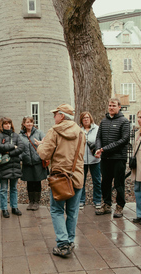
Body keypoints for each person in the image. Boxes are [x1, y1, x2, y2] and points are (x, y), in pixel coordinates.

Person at [37, 104, 85, 257]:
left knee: (57, 210)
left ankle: (63, 243)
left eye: (55, 114)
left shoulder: (54, 131)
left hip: (60, 178)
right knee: (72, 212)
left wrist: (40, 145)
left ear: (62, 116)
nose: (54, 117)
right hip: (76, 176)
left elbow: (44, 154)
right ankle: (70, 241)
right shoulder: (81, 132)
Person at [95, 98, 130, 218]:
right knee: (105, 182)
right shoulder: (104, 121)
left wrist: (106, 148)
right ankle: (107, 204)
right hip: (105, 158)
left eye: (114, 105)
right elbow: (98, 137)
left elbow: (124, 140)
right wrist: (98, 149)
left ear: (119, 107)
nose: (111, 107)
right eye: (110, 105)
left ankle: (120, 206)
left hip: (118, 158)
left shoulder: (124, 121)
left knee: (119, 183)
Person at [0, 117, 24, 218]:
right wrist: (12, 146)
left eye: (9, 123)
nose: (8, 125)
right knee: (3, 189)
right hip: (3, 166)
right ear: (1, 125)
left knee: (14, 188)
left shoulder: (16, 135)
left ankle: (14, 207)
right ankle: (4, 208)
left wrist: (8, 152)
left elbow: (21, 148)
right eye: (5, 124)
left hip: (15, 165)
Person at [19, 116, 47, 211]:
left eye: (30, 122)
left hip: (37, 162)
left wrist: (41, 143)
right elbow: (19, 148)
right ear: (24, 124)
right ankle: (31, 201)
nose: (29, 124)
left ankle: (36, 202)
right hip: (27, 162)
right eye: (27, 122)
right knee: (29, 182)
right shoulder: (21, 135)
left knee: (37, 182)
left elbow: (46, 142)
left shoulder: (39, 133)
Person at [79, 111, 102, 210]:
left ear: (90, 118)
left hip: (95, 160)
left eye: (87, 117)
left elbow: (100, 142)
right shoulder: (79, 130)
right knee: (81, 181)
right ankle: (81, 200)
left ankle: (97, 200)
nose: (86, 119)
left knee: (97, 181)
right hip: (82, 160)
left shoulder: (97, 129)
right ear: (81, 120)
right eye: (84, 118)